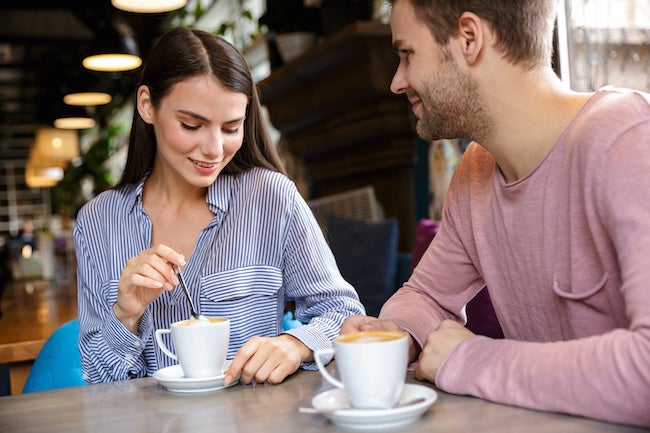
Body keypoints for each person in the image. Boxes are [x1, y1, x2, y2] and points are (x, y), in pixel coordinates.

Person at [341, 0, 650, 426]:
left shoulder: (628, 141)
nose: (398, 81)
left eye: (407, 54)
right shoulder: (476, 171)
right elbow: (427, 295)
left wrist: (470, 359)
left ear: (469, 38)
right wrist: (394, 334)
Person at [74, 27, 364, 386]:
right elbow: (98, 384)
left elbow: (343, 313)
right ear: (147, 105)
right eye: (191, 125)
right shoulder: (97, 223)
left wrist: (295, 344)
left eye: (230, 128)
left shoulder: (271, 198)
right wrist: (126, 314)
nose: (214, 149)